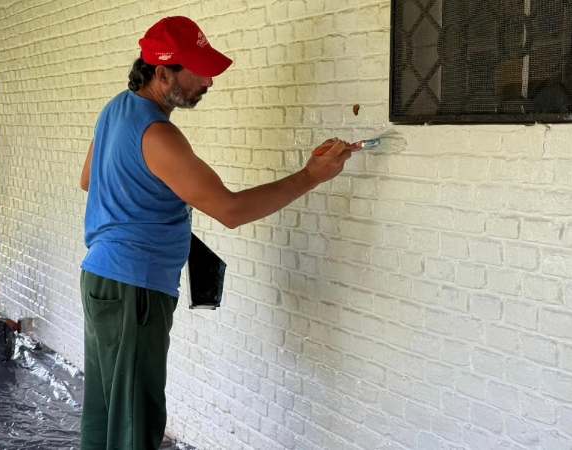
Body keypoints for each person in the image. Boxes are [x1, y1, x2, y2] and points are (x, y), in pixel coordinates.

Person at [79, 16, 361, 450]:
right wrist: (311, 176)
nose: (208, 81)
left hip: (101, 279)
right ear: (162, 72)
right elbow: (229, 210)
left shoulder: (116, 108)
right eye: (198, 71)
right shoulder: (158, 134)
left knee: (108, 414)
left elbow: (88, 179)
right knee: (135, 420)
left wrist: (147, 197)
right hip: (135, 288)